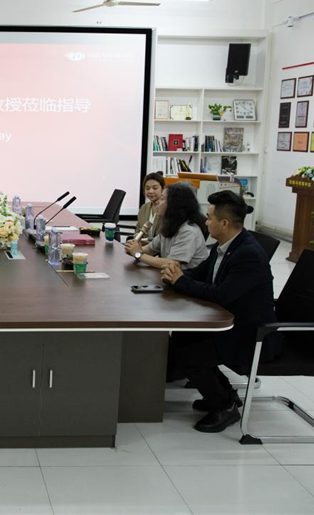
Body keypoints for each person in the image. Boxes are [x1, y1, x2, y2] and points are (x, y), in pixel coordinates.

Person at [161, 191, 281, 434]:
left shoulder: (248, 254)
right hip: (230, 322)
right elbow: (201, 273)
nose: (205, 222)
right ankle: (225, 394)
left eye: (209, 218)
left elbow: (221, 295)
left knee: (190, 355)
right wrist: (175, 276)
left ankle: (225, 406)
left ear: (224, 223)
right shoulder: (225, 245)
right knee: (182, 338)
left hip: (250, 334)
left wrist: (181, 281)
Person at [124, 182, 208, 270]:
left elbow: (171, 263)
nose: (157, 202)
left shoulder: (188, 231)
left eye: (162, 199)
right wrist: (133, 249)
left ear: (174, 204)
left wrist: (138, 254)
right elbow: (150, 249)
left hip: (189, 277)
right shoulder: (170, 225)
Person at [135, 172, 165, 242]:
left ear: (163, 189)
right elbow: (138, 230)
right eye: (147, 188)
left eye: (155, 188)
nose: (151, 191)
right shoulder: (143, 208)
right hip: (141, 245)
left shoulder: (166, 208)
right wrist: (136, 236)